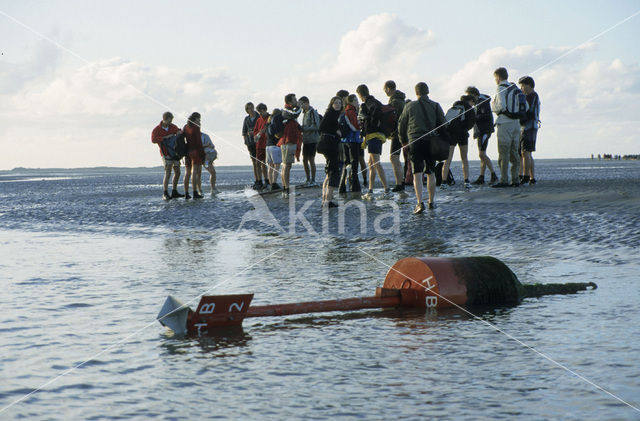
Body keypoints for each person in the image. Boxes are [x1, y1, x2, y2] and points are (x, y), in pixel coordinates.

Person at [398, 82, 451, 213]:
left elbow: (401, 125)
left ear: (416, 92)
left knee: (417, 173)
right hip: (431, 142)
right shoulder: (435, 105)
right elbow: (443, 124)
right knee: (430, 172)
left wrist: (403, 141)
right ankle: (431, 202)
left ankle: (419, 202)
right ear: (427, 92)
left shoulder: (409, 106)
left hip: (415, 141)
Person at [356, 84, 390, 199]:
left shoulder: (369, 103)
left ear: (360, 94)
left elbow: (372, 117)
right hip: (376, 136)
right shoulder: (376, 102)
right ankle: (370, 190)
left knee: (375, 163)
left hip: (374, 135)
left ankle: (386, 189)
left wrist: (368, 120)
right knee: (371, 164)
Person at [491, 67, 522, 187]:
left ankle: (504, 179)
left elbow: (501, 106)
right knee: (514, 151)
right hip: (516, 123)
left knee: (503, 152)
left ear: (498, 77)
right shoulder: (514, 88)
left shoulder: (500, 88)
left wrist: (493, 106)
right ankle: (515, 179)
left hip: (504, 122)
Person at [441, 95, 476, 189]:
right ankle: (466, 181)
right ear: (470, 101)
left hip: (451, 134)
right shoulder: (469, 109)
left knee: (448, 159)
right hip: (462, 134)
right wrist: (464, 129)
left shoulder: (454, 107)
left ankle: (443, 182)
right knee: (464, 158)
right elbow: (471, 123)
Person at [466, 86, 498, 185]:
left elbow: (486, 115)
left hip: (484, 130)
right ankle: (482, 177)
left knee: (482, 153)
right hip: (481, 130)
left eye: (469, 96)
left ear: (474, 95)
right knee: (482, 154)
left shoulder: (482, 102)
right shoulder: (478, 102)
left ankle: (493, 174)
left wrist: (474, 117)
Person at [338, 89, 367, 188]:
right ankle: (354, 185)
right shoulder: (350, 111)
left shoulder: (347, 111)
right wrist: (361, 125)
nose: (358, 103)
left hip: (345, 141)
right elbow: (354, 127)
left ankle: (345, 185)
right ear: (352, 101)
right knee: (353, 164)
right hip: (352, 141)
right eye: (356, 101)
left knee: (347, 164)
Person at [151, 111, 183, 200]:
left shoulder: (173, 126)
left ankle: (174, 191)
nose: (171, 122)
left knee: (178, 172)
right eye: (169, 120)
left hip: (175, 153)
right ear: (164, 119)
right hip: (165, 153)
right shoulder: (157, 129)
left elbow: (178, 131)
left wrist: (179, 132)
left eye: (171, 120)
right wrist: (165, 137)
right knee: (168, 172)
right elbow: (153, 140)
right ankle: (165, 192)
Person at [317, 96, 343, 208]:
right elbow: (322, 127)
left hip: (327, 144)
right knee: (333, 172)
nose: (337, 105)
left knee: (329, 172)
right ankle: (328, 200)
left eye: (339, 103)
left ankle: (325, 200)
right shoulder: (331, 114)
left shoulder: (334, 114)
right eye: (335, 103)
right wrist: (336, 131)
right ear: (331, 104)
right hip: (329, 145)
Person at [383, 80, 407, 192]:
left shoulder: (395, 101)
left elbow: (393, 119)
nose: (385, 92)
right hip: (401, 133)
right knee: (396, 158)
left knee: (394, 158)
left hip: (397, 133)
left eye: (385, 89)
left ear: (388, 88)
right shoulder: (400, 99)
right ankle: (401, 182)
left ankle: (400, 183)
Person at [277, 93, 303, 197]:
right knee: (287, 166)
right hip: (287, 141)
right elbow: (295, 114)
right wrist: (300, 107)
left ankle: (285, 189)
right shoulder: (286, 110)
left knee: (286, 166)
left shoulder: (288, 111)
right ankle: (287, 190)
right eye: (294, 100)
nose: (296, 101)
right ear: (289, 102)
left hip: (287, 141)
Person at [518, 76, 540, 185]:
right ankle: (532, 177)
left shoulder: (532, 96)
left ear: (528, 85)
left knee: (525, 152)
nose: (521, 88)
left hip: (529, 127)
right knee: (528, 152)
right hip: (531, 126)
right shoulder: (532, 96)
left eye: (522, 85)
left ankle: (526, 176)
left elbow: (530, 112)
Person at [183, 112, 205, 199]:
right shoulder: (196, 127)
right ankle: (195, 192)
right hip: (195, 152)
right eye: (199, 119)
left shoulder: (186, 127)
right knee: (195, 172)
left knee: (187, 173)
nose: (200, 121)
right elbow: (198, 142)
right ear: (195, 119)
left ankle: (186, 193)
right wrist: (202, 154)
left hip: (187, 151)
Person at [299, 96, 320, 186]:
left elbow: (317, 126)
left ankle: (313, 179)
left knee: (311, 159)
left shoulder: (313, 112)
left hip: (312, 140)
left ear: (306, 103)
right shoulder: (305, 113)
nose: (301, 106)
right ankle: (308, 179)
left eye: (301, 104)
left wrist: (304, 129)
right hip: (306, 140)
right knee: (304, 160)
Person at [242, 102, 261, 189]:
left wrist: (254, 132)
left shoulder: (259, 116)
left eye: (252, 107)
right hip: (250, 143)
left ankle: (263, 180)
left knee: (260, 162)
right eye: (249, 108)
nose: (251, 109)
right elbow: (244, 132)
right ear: (247, 110)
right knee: (254, 162)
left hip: (259, 142)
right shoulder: (246, 119)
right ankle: (257, 180)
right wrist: (246, 142)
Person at [252, 103, 270, 190]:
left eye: (261, 111)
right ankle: (259, 181)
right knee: (258, 162)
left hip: (267, 143)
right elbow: (255, 131)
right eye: (259, 112)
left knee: (266, 163)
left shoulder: (270, 118)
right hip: (259, 144)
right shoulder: (259, 120)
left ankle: (267, 180)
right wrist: (256, 135)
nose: (260, 113)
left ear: (265, 110)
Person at [265, 109, 283, 191]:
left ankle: (271, 182)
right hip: (275, 146)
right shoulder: (275, 123)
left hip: (268, 146)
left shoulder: (268, 124)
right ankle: (274, 183)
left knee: (270, 165)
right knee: (276, 165)